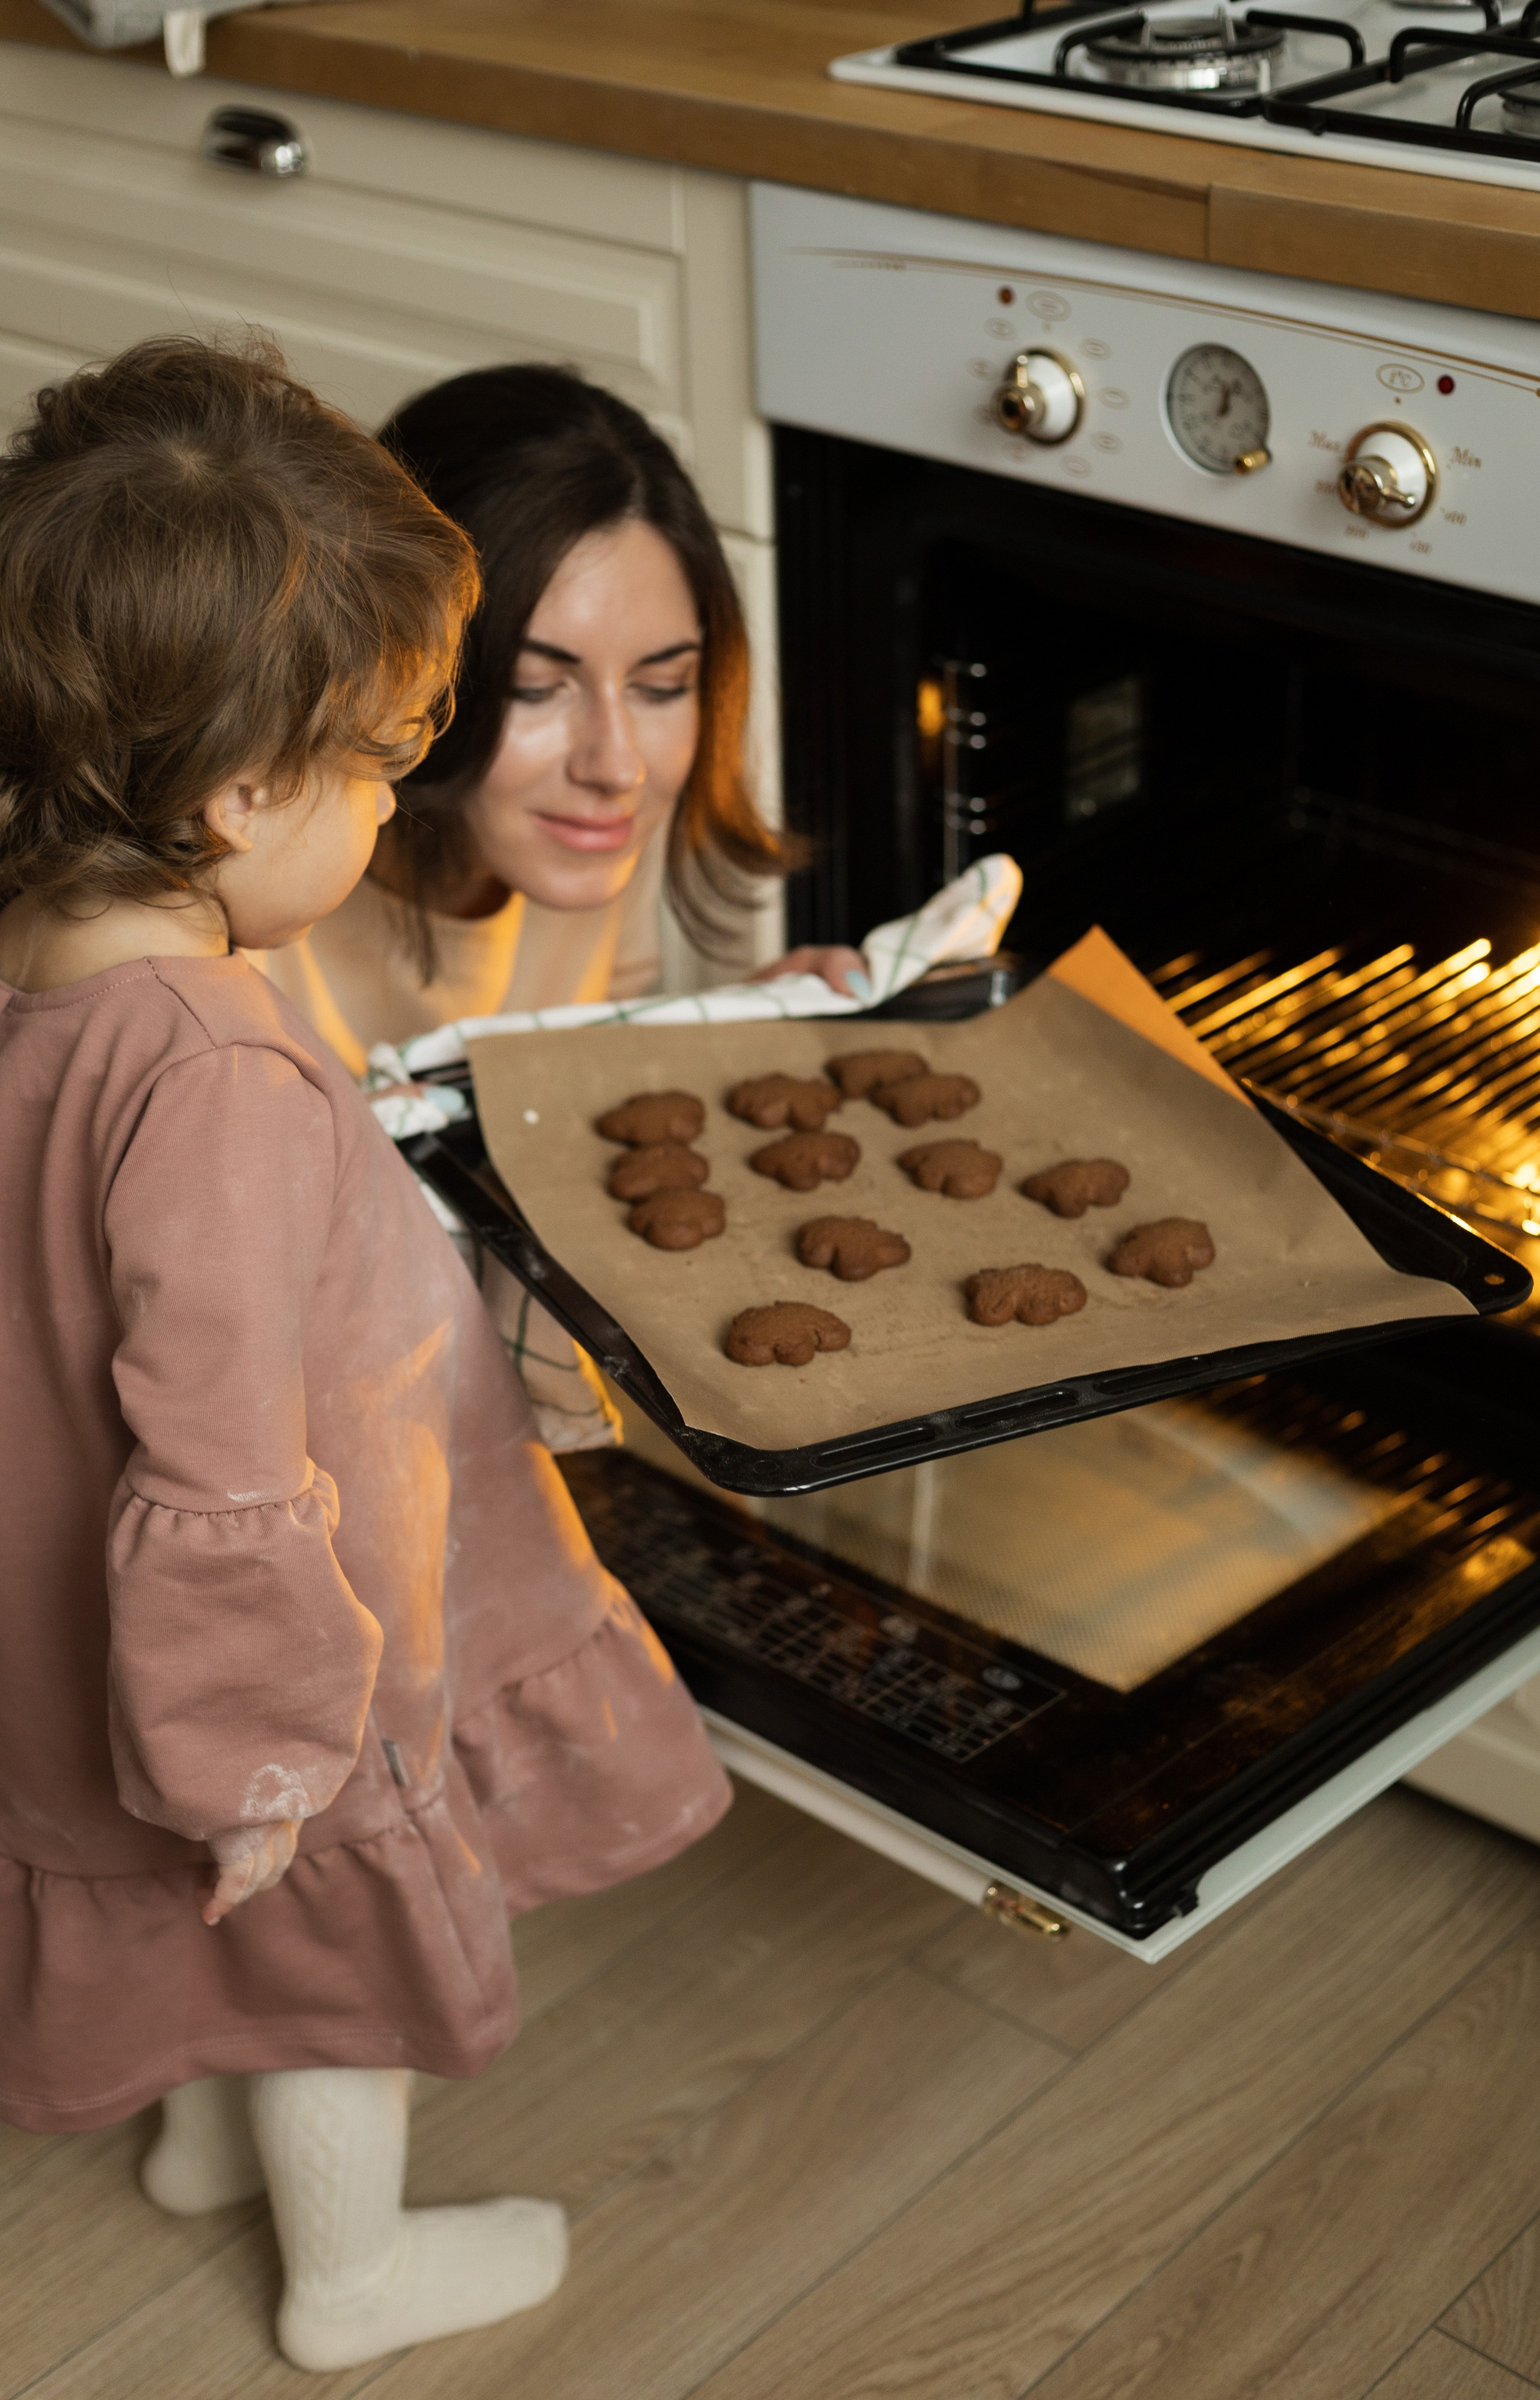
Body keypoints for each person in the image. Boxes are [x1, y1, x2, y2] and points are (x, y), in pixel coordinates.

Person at [0, 334, 730, 2372]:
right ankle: (352, 2278)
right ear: (240, 791)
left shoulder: (40, 971)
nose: (403, 798)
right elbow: (225, 1459)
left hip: (60, 1604)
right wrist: (259, 1751)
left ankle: (200, 2153)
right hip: (261, 1643)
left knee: (201, 1928)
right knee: (318, 1939)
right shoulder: (213, 1066)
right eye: (384, 762)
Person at [261, 362, 866, 1073]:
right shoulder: (241, 899)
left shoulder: (589, 832)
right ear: (395, 676)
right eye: (536, 687)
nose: (618, 767)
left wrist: (726, 1040)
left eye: (663, 686)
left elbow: (574, 1085)